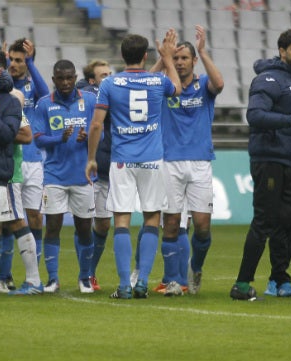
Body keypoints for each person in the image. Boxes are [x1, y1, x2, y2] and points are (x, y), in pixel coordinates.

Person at [229, 28, 291, 301]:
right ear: (282, 51)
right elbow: (255, 115)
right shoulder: (267, 80)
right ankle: (241, 285)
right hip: (269, 161)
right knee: (264, 221)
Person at [85, 29, 182, 299]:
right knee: (152, 218)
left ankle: (124, 286)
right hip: (152, 160)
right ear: (144, 55)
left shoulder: (109, 84)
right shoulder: (156, 81)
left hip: (121, 162)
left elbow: (96, 125)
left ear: (121, 55)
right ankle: (142, 283)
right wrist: (168, 59)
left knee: (122, 221)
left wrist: (92, 158)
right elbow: (177, 88)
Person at [148, 25, 224, 296]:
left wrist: (202, 51)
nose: (179, 62)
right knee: (171, 223)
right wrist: (162, 56)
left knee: (202, 226)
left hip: (201, 162)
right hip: (169, 162)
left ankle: (196, 268)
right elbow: (144, 83)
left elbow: (220, 84)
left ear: (192, 61)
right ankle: (172, 280)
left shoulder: (203, 84)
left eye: (184, 58)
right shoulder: (164, 87)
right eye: (176, 58)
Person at [0, 49, 43, 296]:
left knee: (14, 221)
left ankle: (24, 279)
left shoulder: (11, 98)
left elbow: (25, 134)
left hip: (6, 170)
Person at [32, 59, 97, 294]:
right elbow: (38, 138)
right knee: (53, 227)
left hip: (83, 176)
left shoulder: (89, 101)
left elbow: (99, 130)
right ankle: (52, 279)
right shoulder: (44, 105)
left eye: (70, 77)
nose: (66, 82)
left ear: (75, 76)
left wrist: (86, 137)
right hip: (54, 176)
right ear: (53, 80)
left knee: (84, 229)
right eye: (61, 78)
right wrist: (60, 138)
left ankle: (85, 278)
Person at [2, 38, 50, 289]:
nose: (14, 64)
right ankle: (5, 275)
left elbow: (46, 96)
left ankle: (34, 275)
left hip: (33, 160)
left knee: (34, 218)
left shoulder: (32, 88)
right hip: (10, 159)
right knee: (9, 219)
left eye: (19, 60)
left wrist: (31, 63)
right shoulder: (2, 88)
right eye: (11, 59)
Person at [76, 59, 113, 291]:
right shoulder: (87, 96)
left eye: (110, 74)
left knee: (103, 225)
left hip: (108, 170)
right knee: (83, 223)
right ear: (92, 81)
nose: (108, 78)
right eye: (103, 75)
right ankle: (85, 274)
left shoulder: (111, 95)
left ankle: (90, 272)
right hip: (89, 170)